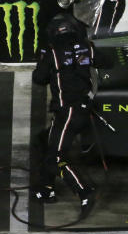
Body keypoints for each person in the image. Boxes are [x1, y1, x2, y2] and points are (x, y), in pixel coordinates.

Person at [32, 11, 102, 219]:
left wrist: (44, 60)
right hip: (81, 107)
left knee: (56, 156)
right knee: (45, 142)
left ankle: (84, 191)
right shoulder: (86, 47)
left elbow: (39, 78)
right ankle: (46, 188)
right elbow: (107, 62)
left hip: (68, 112)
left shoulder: (52, 53)